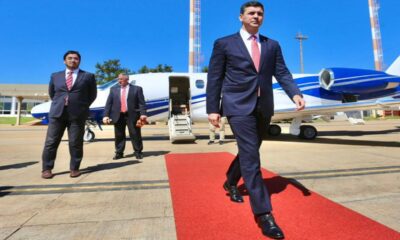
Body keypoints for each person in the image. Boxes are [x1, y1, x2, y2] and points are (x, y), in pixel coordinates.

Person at [206, 1, 305, 239]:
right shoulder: (224, 43)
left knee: (250, 150)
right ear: (241, 17)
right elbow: (215, 78)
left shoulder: (272, 45)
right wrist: (213, 109)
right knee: (252, 157)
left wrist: (295, 93)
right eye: (251, 13)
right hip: (237, 106)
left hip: (263, 106)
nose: (256, 16)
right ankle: (264, 215)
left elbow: (282, 72)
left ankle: (230, 182)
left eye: (260, 13)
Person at [41, 50, 97, 179]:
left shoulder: (88, 76)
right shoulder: (55, 76)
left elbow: (92, 95)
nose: (73, 60)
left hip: (77, 115)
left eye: (76, 58)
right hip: (57, 114)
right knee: (51, 142)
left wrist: (81, 106)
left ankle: (74, 168)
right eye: (70, 58)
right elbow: (52, 93)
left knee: (75, 143)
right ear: (64, 61)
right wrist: (60, 103)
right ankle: (47, 169)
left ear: (79, 61)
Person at [103, 73, 147, 160]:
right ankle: (119, 153)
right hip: (118, 115)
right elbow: (109, 103)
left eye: (121, 79)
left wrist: (143, 113)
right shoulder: (113, 89)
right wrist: (106, 115)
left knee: (135, 134)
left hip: (132, 115)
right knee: (119, 135)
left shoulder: (137, 89)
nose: (119, 81)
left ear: (127, 79)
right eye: (118, 79)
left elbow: (141, 103)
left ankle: (138, 152)